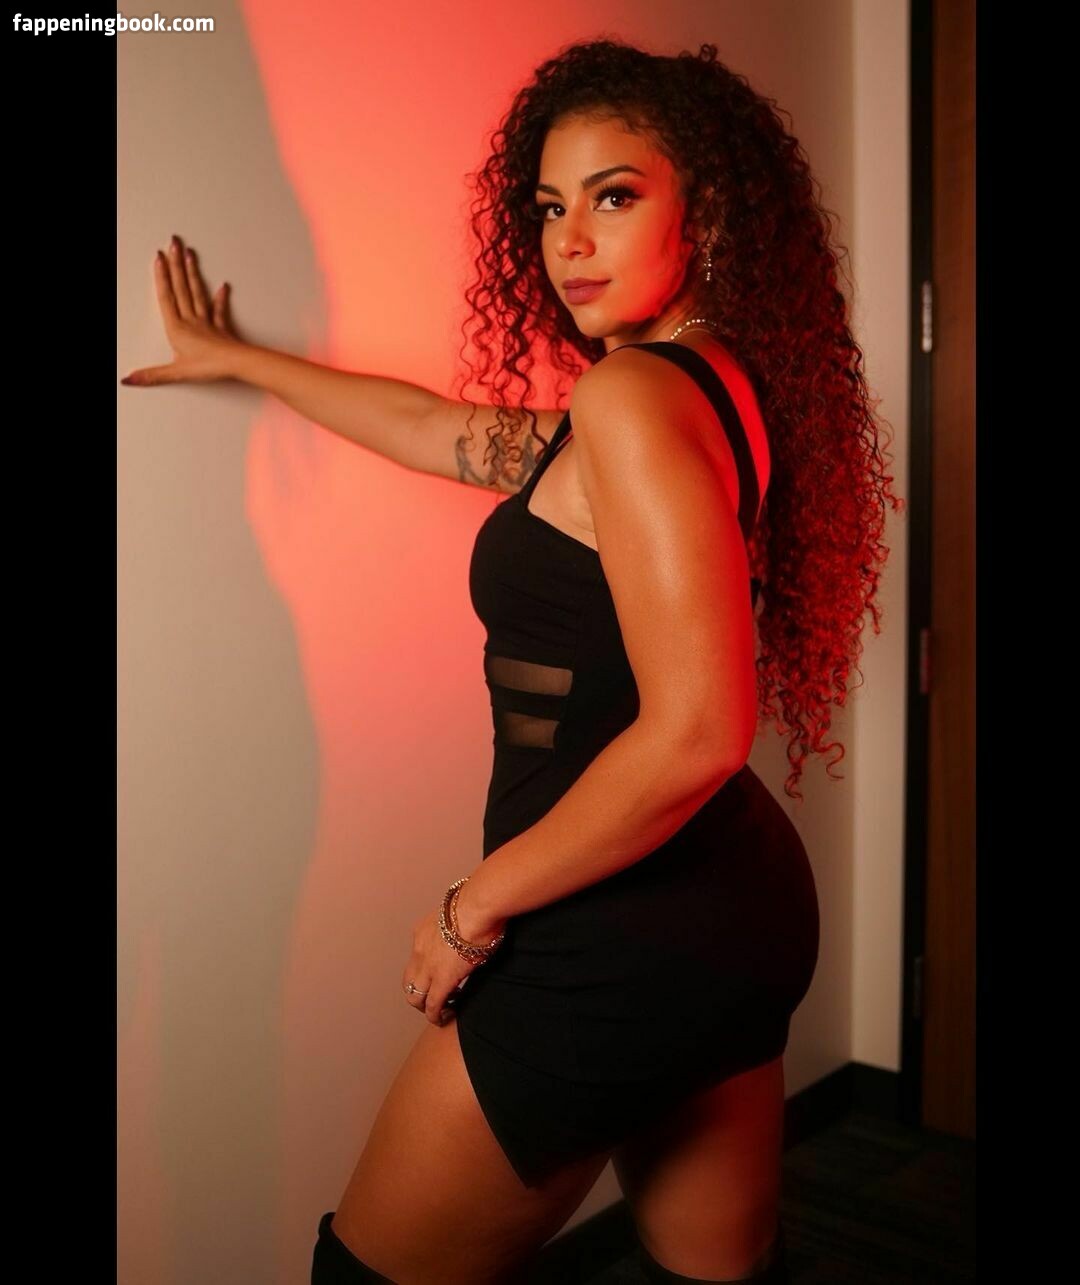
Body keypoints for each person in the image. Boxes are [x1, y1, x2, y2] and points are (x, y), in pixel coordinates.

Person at [123, 36, 901, 1285]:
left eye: (614, 196)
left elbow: (699, 730)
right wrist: (245, 359)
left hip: (618, 928)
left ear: (705, 206)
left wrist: (470, 907)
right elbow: (438, 428)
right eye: (548, 207)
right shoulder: (705, 386)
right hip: (732, 906)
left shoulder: (632, 400)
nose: (569, 241)